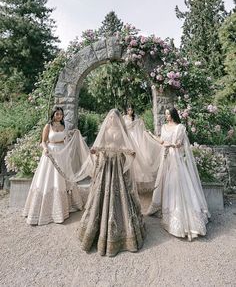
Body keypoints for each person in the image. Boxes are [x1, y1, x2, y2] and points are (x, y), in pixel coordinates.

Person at [78, 109, 145, 257]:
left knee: (121, 193)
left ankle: (125, 231)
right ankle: (97, 231)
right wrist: (95, 150)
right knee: (102, 193)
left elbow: (127, 146)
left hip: (118, 164)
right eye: (110, 117)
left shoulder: (123, 130)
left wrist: (129, 152)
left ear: (118, 119)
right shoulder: (105, 129)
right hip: (106, 163)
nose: (112, 119)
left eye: (115, 117)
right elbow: (99, 145)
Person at [146, 107, 210, 241]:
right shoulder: (163, 127)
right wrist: (151, 135)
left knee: (180, 187)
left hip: (176, 160)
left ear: (173, 114)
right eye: (165, 114)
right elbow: (162, 141)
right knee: (169, 187)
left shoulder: (180, 127)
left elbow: (181, 144)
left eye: (168, 114)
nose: (167, 116)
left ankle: (187, 221)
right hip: (167, 159)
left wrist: (173, 145)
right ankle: (166, 212)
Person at [23, 106, 89, 225]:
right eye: (57, 114)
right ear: (53, 114)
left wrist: (73, 134)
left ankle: (66, 206)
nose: (59, 116)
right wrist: (45, 149)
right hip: (51, 153)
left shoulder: (63, 126)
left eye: (61, 114)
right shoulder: (48, 126)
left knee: (63, 179)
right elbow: (43, 141)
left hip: (62, 153)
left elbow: (65, 139)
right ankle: (45, 209)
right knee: (49, 179)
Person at [123, 105, 162, 192]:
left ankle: (138, 180)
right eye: (129, 109)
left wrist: (140, 124)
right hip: (129, 138)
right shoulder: (124, 118)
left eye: (132, 109)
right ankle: (129, 179)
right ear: (126, 110)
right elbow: (124, 128)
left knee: (139, 156)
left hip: (136, 137)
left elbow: (140, 127)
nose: (130, 111)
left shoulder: (136, 118)